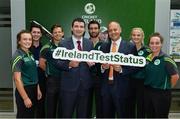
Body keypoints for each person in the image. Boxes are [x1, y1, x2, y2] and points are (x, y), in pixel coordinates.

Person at [54, 18, 94, 118]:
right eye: (76, 26)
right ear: (72, 28)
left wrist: (92, 64)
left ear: (84, 30)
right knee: (66, 115)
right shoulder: (63, 43)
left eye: (81, 27)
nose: (78, 29)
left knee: (83, 115)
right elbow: (58, 62)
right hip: (68, 87)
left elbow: (93, 65)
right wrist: (69, 64)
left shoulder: (89, 43)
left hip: (84, 87)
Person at [100, 21, 137, 118]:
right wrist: (102, 67)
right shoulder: (103, 46)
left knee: (123, 115)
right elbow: (97, 66)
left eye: (115, 29)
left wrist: (121, 70)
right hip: (106, 88)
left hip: (122, 89)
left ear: (120, 30)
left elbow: (135, 68)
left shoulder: (130, 47)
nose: (113, 32)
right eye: (110, 30)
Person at [143, 32, 179, 118]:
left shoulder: (166, 59)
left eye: (157, 43)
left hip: (161, 94)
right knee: (150, 115)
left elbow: (175, 77)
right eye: (152, 43)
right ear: (149, 44)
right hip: (148, 91)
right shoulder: (147, 58)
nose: (154, 45)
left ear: (161, 44)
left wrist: (167, 88)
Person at [11, 30, 42, 118]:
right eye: (25, 39)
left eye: (29, 39)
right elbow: (17, 80)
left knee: (31, 115)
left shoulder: (29, 54)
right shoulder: (17, 56)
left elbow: (33, 72)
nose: (28, 41)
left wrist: (38, 88)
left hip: (33, 88)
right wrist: (25, 98)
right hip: (24, 90)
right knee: (24, 115)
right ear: (19, 41)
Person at [39, 24, 64, 118]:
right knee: (51, 108)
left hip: (65, 80)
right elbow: (41, 64)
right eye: (55, 32)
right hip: (52, 81)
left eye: (59, 32)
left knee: (63, 108)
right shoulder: (46, 47)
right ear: (52, 34)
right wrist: (50, 71)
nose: (57, 34)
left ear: (63, 33)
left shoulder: (67, 46)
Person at [128, 27, 151, 118]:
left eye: (138, 35)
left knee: (141, 107)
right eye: (134, 35)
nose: (136, 37)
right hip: (129, 81)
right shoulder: (127, 49)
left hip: (142, 83)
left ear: (142, 37)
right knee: (129, 106)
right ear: (131, 36)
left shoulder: (148, 51)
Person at [29, 23, 46, 118]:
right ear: (30, 33)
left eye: (38, 32)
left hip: (42, 81)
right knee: (29, 108)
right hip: (29, 83)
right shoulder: (26, 49)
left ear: (41, 34)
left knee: (41, 108)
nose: (36, 34)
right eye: (34, 32)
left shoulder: (44, 49)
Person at [87, 20, 103, 118]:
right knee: (86, 105)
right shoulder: (84, 44)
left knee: (100, 105)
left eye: (95, 28)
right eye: (91, 28)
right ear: (88, 30)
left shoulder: (104, 45)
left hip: (100, 79)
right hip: (86, 78)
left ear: (99, 30)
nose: (93, 30)